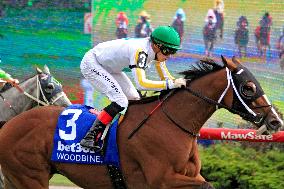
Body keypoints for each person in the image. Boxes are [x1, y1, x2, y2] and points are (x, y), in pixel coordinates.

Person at [80, 26, 186, 151]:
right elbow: (141, 83)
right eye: (168, 51)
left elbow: (166, 78)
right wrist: (172, 85)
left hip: (108, 67)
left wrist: (178, 83)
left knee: (134, 98)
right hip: (92, 64)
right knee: (121, 101)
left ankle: (125, 133)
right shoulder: (140, 51)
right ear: (157, 46)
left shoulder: (155, 49)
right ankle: (90, 137)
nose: (170, 56)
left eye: (173, 52)